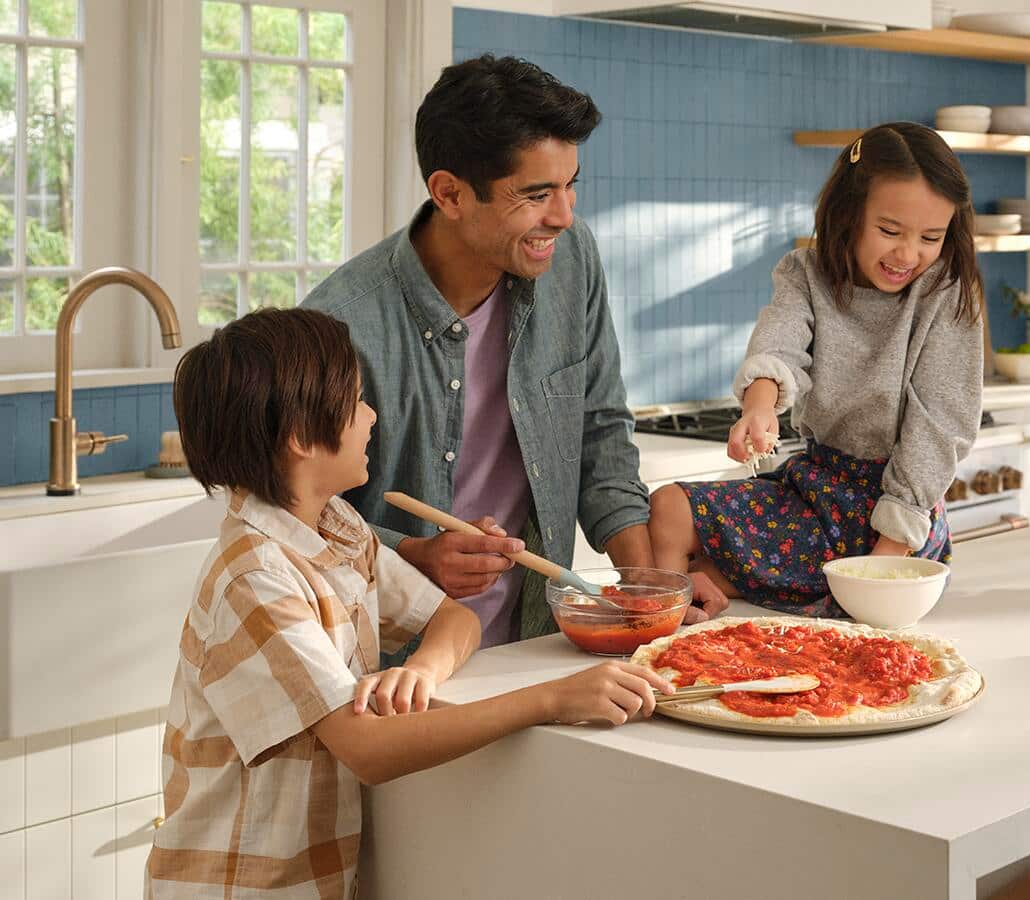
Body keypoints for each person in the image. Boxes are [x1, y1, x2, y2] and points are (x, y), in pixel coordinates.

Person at [145, 308, 672, 899]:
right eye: (355, 402)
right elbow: (366, 750)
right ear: (299, 438)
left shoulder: (337, 526)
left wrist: (422, 669)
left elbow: (453, 617)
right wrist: (551, 698)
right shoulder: (255, 577)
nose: (372, 416)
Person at [304, 54, 727, 652]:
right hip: (397, 667)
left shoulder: (571, 260)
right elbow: (299, 515)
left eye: (569, 185)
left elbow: (598, 429)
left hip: (538, 642)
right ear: (449, 193)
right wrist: (413, 555)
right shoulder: (339, 324)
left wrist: (650, 585)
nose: (563, 215)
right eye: (535, 194)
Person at [648, 122, 985, 616]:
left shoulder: (947, 292)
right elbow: (781, 341)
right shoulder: (804, 274)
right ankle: (676, 627)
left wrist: (885, 562)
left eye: (930, 237)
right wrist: (759, 406)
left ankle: (722, 592)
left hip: (896, 514)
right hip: (813, 492)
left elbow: (940, 425)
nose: (908, 254)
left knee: (826, 588)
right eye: (889, 231)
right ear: (849, 214)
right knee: (668, 508)